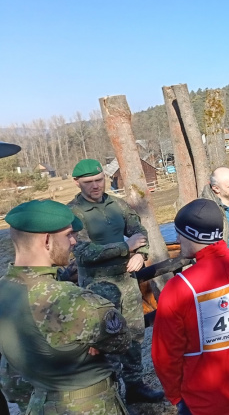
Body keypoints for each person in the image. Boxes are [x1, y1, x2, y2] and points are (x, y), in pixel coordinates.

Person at [0, 200, 131, 415]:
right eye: (69, 234)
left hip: (40, 403)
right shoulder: (69, 299)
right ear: (47, 241)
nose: (74, 241)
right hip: (88, 406)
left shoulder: (5, 288)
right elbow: (121, 341)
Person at [152, 199, 229, 415]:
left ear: (191, 234)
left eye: (179, 234)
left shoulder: (179, 288)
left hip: (203, 401)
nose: (176, 239)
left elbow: (165, 354)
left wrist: (176, 395)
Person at [67, 159, 164, 403]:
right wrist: (124, 248)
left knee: (133, 335)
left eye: (99, 180)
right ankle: (109, 394)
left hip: (126, 281)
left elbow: (138, 231)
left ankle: (135, 386)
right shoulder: (73, 213)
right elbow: (82, 252)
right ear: (77, 182)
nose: (96, 186)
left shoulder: (117, 204)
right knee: (104, 340)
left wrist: (141, 255)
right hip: (96, 288)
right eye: (88, 183)